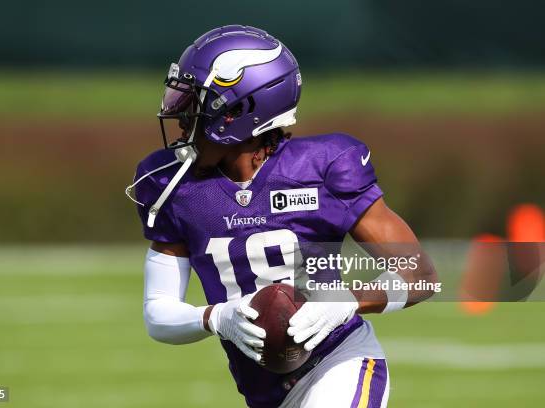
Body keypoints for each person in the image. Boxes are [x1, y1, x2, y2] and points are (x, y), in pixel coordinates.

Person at [127, 25, 438, 408]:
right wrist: (216, 317)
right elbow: (159, 314)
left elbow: (420, 274)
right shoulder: (172, 185)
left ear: (238, 111)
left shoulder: (323, 167)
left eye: (195, 105)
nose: (180, 118)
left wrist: (344, 302)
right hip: (264, 394)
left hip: (339, 361)